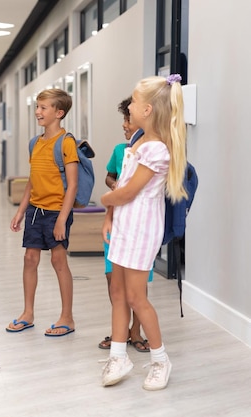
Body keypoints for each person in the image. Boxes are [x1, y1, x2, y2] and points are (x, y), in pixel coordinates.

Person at [100, 74, 187, 390]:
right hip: (123, 227)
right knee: (119, 294)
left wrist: (105, 200)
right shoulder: (136, 142)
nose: (131, 106)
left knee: (137, 297)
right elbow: (123, 184)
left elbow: (126, 192)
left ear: (147, 109)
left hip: (140, 231)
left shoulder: (157, 151)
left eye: (134, 101)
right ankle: (119, 355)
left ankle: (160, 360)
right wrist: (110, 216)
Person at [6, 88, 77, 337]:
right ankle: (28, 313)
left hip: (57, 211)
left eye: (43, 107)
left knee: (58, 261)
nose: (38, 111)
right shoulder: (35, 143)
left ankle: (67, 317)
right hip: (35, 211)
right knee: (29, 260)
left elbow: (73, 185)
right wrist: (20, 211)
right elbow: (31, 181)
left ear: (59, 113)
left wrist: (61, 220)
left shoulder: (66, 143)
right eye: (37, 106)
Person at [98, 98, 151, 352]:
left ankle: (136, 332)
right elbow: (110, 175)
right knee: (113, 281)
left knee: (138, 286)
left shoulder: (152, 150)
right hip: (116, 222)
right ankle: (119, 331)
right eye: (124, 119)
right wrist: (113, 187)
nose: (124, 124)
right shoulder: (120, 150)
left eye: (128, 119)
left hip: (139, 227)